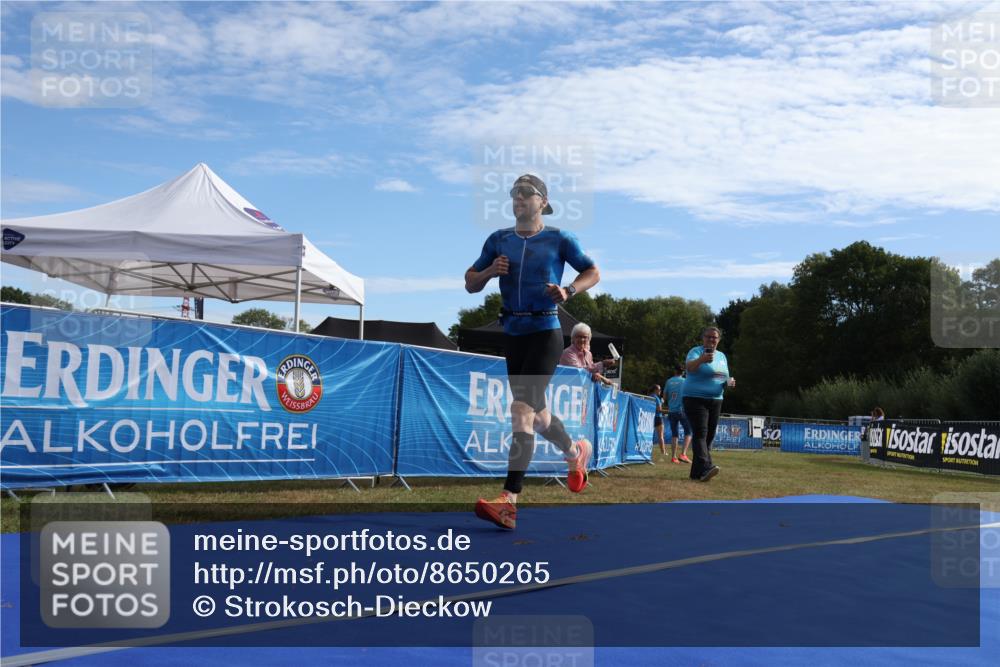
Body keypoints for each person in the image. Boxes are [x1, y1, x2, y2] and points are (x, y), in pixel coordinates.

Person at [465, 174, 601, 530]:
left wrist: (570, 290)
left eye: (527, 194)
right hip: (513, 332)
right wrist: (490, 271)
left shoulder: (559, 238)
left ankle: (509, 501)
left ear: (543, 202)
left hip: (545, 330)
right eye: (515, 194)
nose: (519, 199)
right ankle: (575, 453)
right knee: (537, 417)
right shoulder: (499, 240)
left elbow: (593, 270)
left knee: (520, 408)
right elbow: (469, 282)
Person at [682, 326, 736, 482]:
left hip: (716, 399)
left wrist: (729, 382)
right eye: (708, 336)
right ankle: (706, 467)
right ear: (703, 338)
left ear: (719, 340)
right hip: (694, 398)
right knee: (700, 433)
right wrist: (701, 360)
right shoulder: (696, 352)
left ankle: (696, 473)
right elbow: (689, 368)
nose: (711, 340)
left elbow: (722, 376)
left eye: (715, 337)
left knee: (709, 437)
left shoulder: (722, 356)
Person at [663, 365, 692, 464]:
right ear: (683, 372)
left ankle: (673, 457)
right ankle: (683, 454)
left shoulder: (669, 381)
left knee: (674, 434)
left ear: (675, 371)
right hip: (682, 410)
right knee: (689, 432)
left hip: (672, 411)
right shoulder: (685, 381)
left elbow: (665, 397)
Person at [648, 384, 666, 455]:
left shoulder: (649, 396)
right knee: (661, 436)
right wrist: (669, 412)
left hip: (650, 417)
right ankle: (663, 452)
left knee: (649, 435)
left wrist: (661, 402)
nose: (660, 391)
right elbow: (659, 410)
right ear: (655, 390)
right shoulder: (657, 398)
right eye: (659, 389)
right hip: (658, 418)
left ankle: (648, 450)